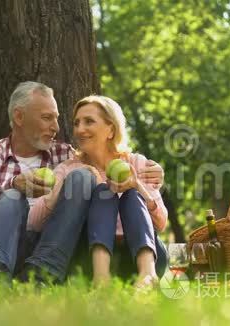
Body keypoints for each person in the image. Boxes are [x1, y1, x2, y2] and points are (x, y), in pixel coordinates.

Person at [0, 81, 164, 283]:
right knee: (12, 198)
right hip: (14, 245)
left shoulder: (64, 153)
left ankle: (45, 274)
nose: (58, 127)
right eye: (47, 118)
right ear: (19, 116)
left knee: (97, 185)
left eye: (57, 119)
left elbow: (159, 220)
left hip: (70, 247)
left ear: (110, 129)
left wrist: (144, 182)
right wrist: (14, 184)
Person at [27, 95, 168, 288]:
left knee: (131, 194)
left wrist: (138, 186)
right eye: (76, 123)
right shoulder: (68, 169)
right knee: (104, 192)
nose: (79, 130)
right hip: (88, 258)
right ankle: (101, 280)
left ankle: (147, 276)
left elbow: (160, 223)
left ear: (110, 129)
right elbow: (33, 223)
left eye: (88, 122)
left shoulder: (137, 164)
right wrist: (59, 190)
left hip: (139, 255)